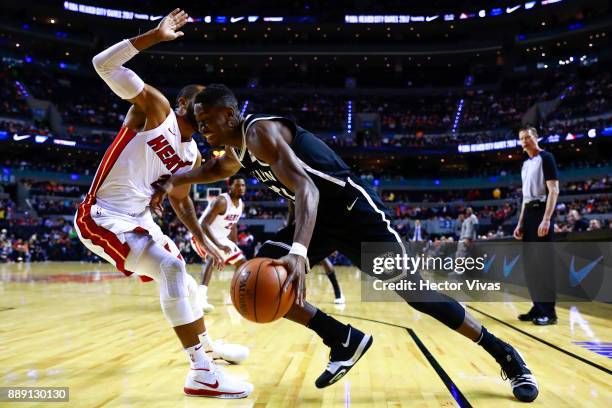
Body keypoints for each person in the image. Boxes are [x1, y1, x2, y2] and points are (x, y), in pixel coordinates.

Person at [152, 85, 539, 402]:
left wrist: (299, 252)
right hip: (319, 221)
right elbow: (214, 169)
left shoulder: (258, 132)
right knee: (262, 276)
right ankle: (343, 339)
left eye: (208, 121)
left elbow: (307, 189)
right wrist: (172, 182)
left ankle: (506, 354)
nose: (202, 129)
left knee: (416, 293)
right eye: (199, 123)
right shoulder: (235, 150)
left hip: (354, 214)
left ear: (230, 115)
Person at [73, 10, 252, 398]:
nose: (206, 112)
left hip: (137, 219)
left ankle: (207, 350)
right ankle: (200, 372)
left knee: (185, 281)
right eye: (200, 102)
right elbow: (102, 64)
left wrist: (198, 235)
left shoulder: (191, 158)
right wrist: (154, 36)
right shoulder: (155, 109)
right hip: (101, 215)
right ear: (185, 102)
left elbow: (180, 198)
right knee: (171, 269)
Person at [513, 126, 560, 326]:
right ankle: (537, 306)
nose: (525, 141)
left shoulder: (546, 158)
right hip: (529, 214)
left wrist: (547, 219)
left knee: (543, 264)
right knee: (531, 265)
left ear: (536, 138)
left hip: (542, 212)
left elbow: (554, 190)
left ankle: (549, 312)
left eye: (528, 137)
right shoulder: (525, 165)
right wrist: (520, 223)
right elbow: (525, 198)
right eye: (522, 138)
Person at [191, 174, 247, 312]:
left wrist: (233, 244)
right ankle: (200, 299)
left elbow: (232, 226)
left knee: (242, 264)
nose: (241, 188)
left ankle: (234, 295)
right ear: (230, 186)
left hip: (221, 238)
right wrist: (220, 246)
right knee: (212, 256)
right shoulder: (222, 201)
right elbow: (204, 224)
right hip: (201, 236)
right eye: (238, 185)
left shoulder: (241, 205)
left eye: (243, 185)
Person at [287, 201, 344, 303]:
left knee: (323, 260)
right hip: (300, 228)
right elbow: (292, 213)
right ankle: (292, 294)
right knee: (295, 261)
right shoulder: (291, 193)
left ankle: (338, 292)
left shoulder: (313, 191)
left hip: (316, 226)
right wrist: (287, 230)